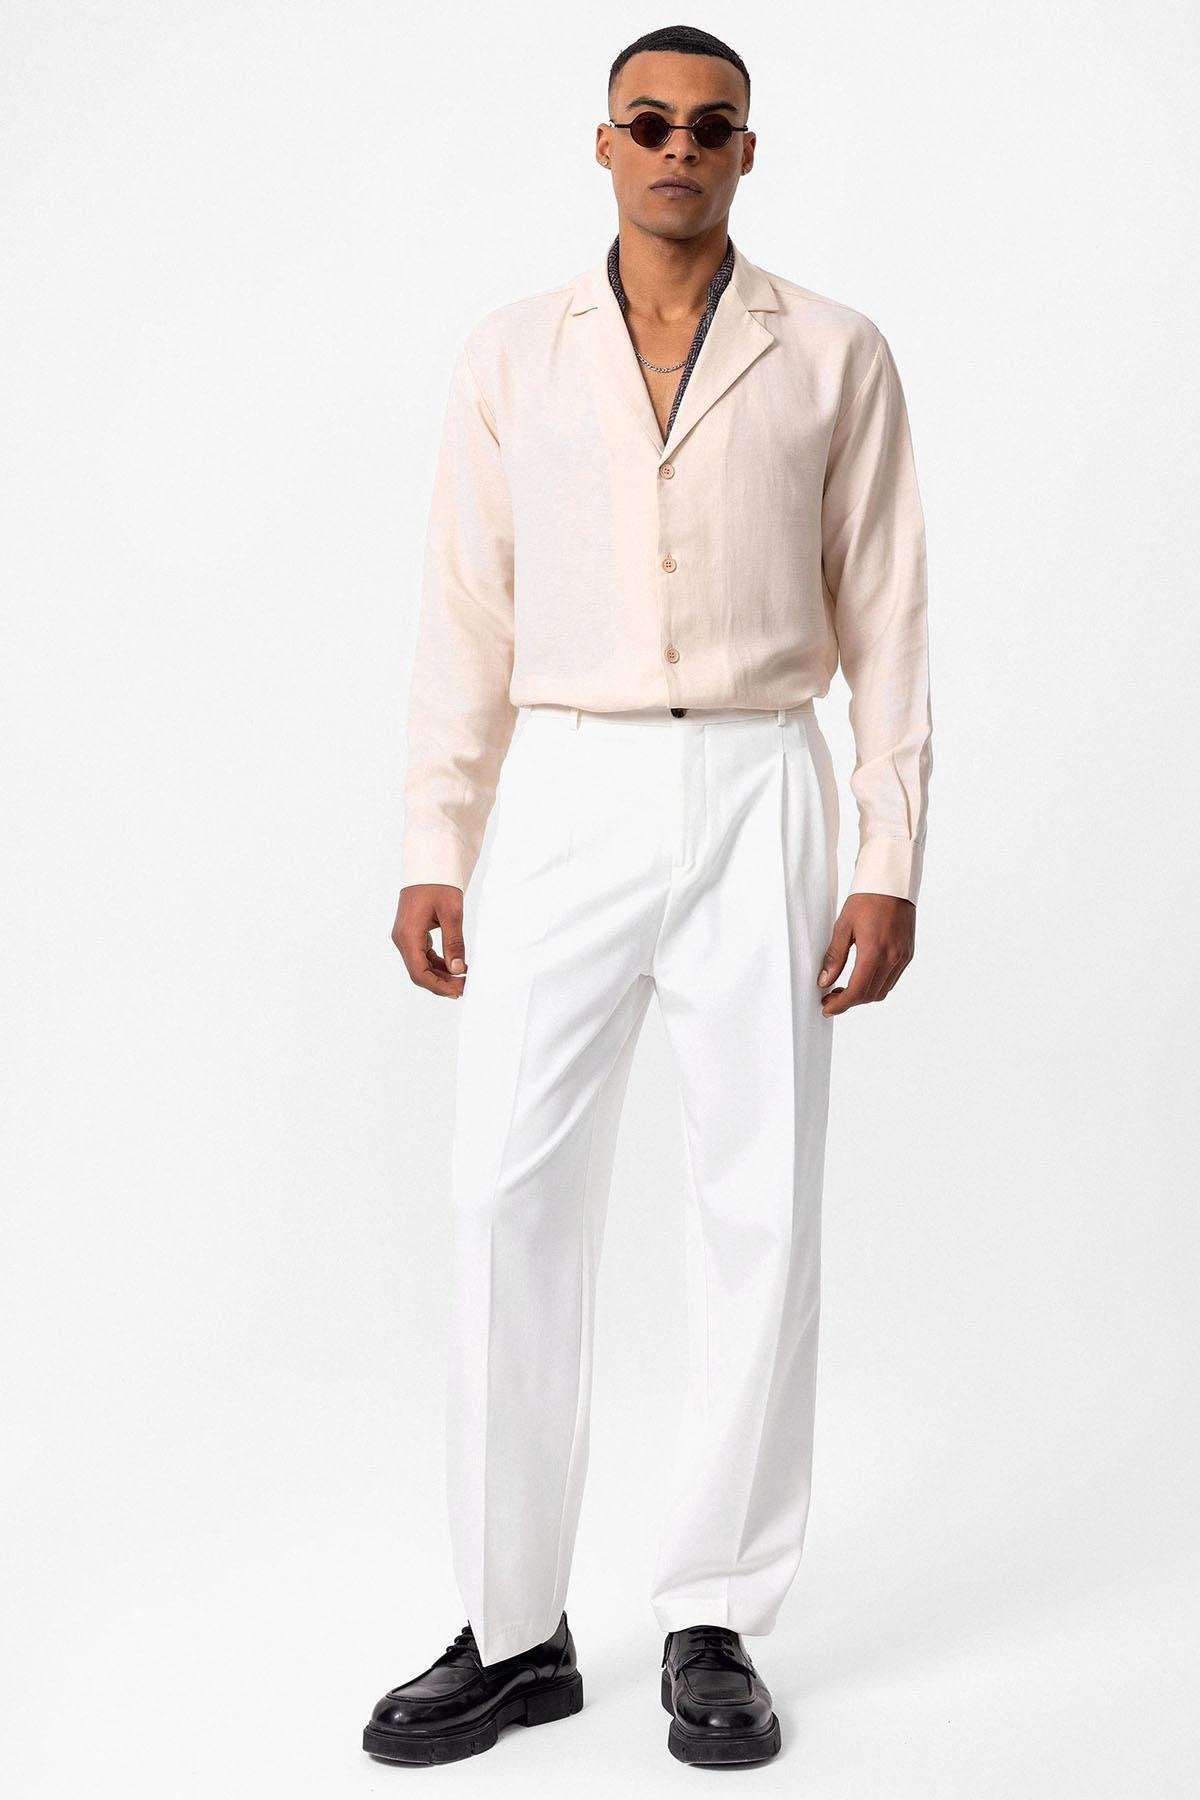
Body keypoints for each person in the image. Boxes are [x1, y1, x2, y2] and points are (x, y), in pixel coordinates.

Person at [364, 22, 932, 1770]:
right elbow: (466, 605)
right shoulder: (510, 356)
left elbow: (891, 614)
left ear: (750, 151)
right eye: (649, 122)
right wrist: (437, 835)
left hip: (762, 779)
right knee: (500, 1192)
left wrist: (888, 854)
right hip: (568, 787)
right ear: (602, 145)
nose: (679, 146)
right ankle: (511, 1627)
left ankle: (715, 1617)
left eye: (711, 124)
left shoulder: (833, 353)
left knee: (760, 1203)